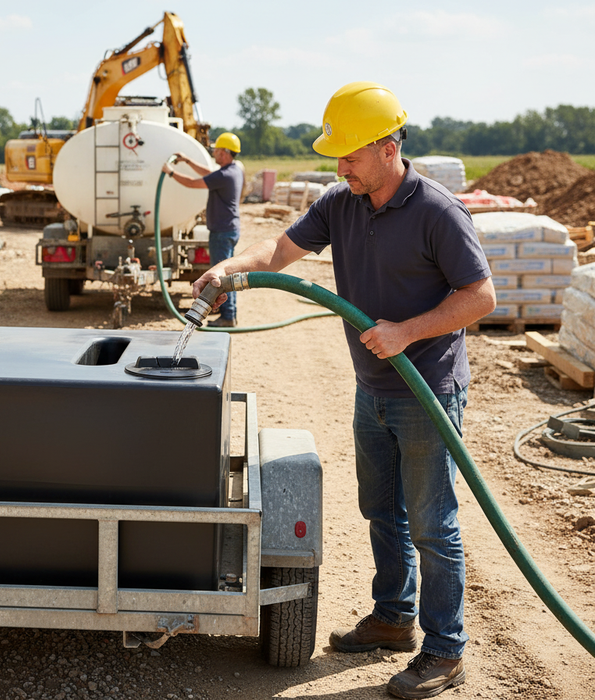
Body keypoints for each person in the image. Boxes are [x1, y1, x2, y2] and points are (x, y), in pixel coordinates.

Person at [192, 82, 496, 699]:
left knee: (432, 524)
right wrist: (230, 270)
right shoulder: (340, 203)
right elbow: (281, 247)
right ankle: (393, 619)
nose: (341, 166)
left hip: (425, 391)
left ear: (388, 148)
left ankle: (445, 650)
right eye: (337, 156)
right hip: (372, 388)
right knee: (380, 511)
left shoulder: (438, 212)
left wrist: (407, 332)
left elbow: (481, 297)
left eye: (351, 154)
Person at [164, 132, 245, 327]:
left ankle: (228, 316)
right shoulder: (233, 171)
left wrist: (170, 172)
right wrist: (188, 161)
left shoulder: (225, 175)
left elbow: (193, 183)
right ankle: (229, 315)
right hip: (228, 229)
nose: (214, 153)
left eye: (216, 151)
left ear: (224, 153)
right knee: (227, 275)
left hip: (222, 232)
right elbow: (208, 174)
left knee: (222, 276)